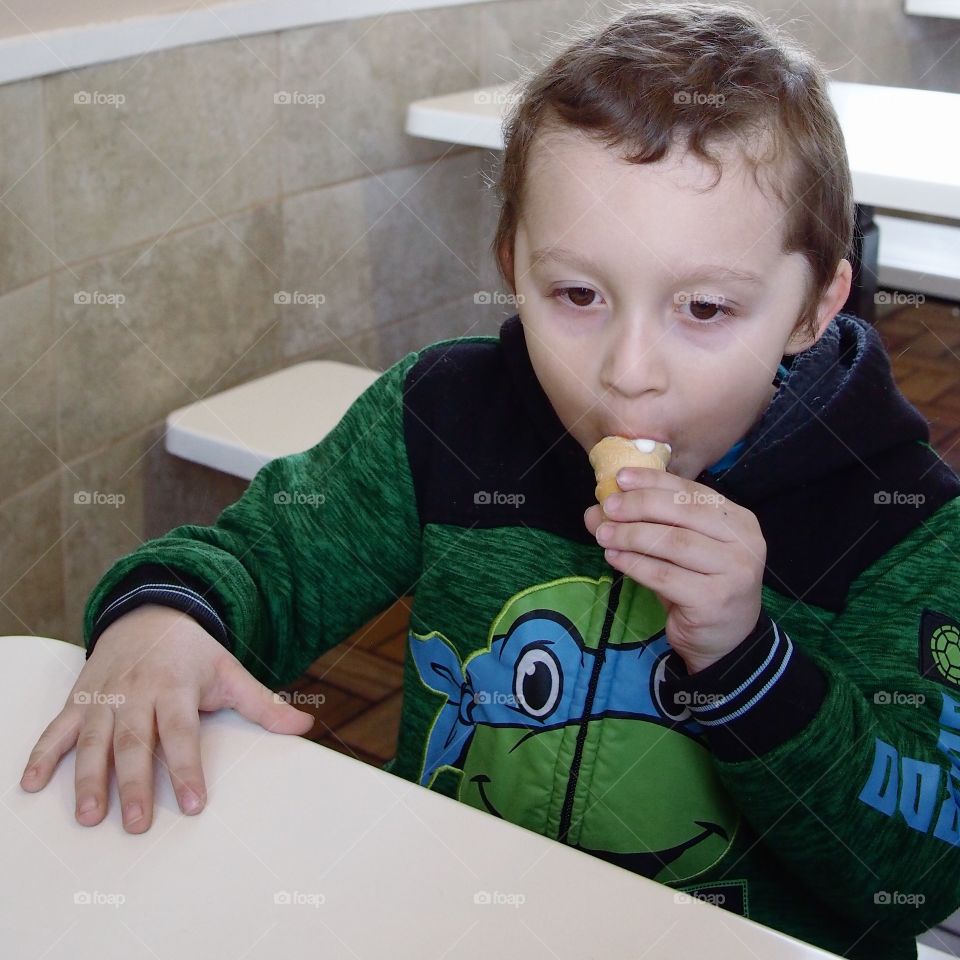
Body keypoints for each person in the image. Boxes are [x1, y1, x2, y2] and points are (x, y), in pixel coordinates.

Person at [20, 2, 960, 956]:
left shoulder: (905, 531)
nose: (629, 370)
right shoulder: (444, 419)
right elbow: (268, 558)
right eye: (578, 295)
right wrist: (163, 622)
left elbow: (915, 873)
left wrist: (752, 662)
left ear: (814, 307)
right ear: (512, 265)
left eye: (707, 307)